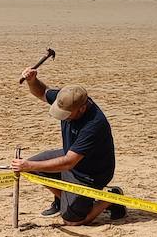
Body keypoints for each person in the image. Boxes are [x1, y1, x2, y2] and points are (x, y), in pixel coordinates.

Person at [11, 67, 117, 225]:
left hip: (90, 174)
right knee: (33, 170)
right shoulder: (67, 97)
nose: (63, 117)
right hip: (72, 158)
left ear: (82, 108)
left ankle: (112, 197)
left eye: (66, 114)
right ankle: (67, 201)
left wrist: (27, 164)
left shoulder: (94, 124)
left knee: (72, 220)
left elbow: (69, 162)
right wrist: (32, 81)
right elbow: (42, 92)